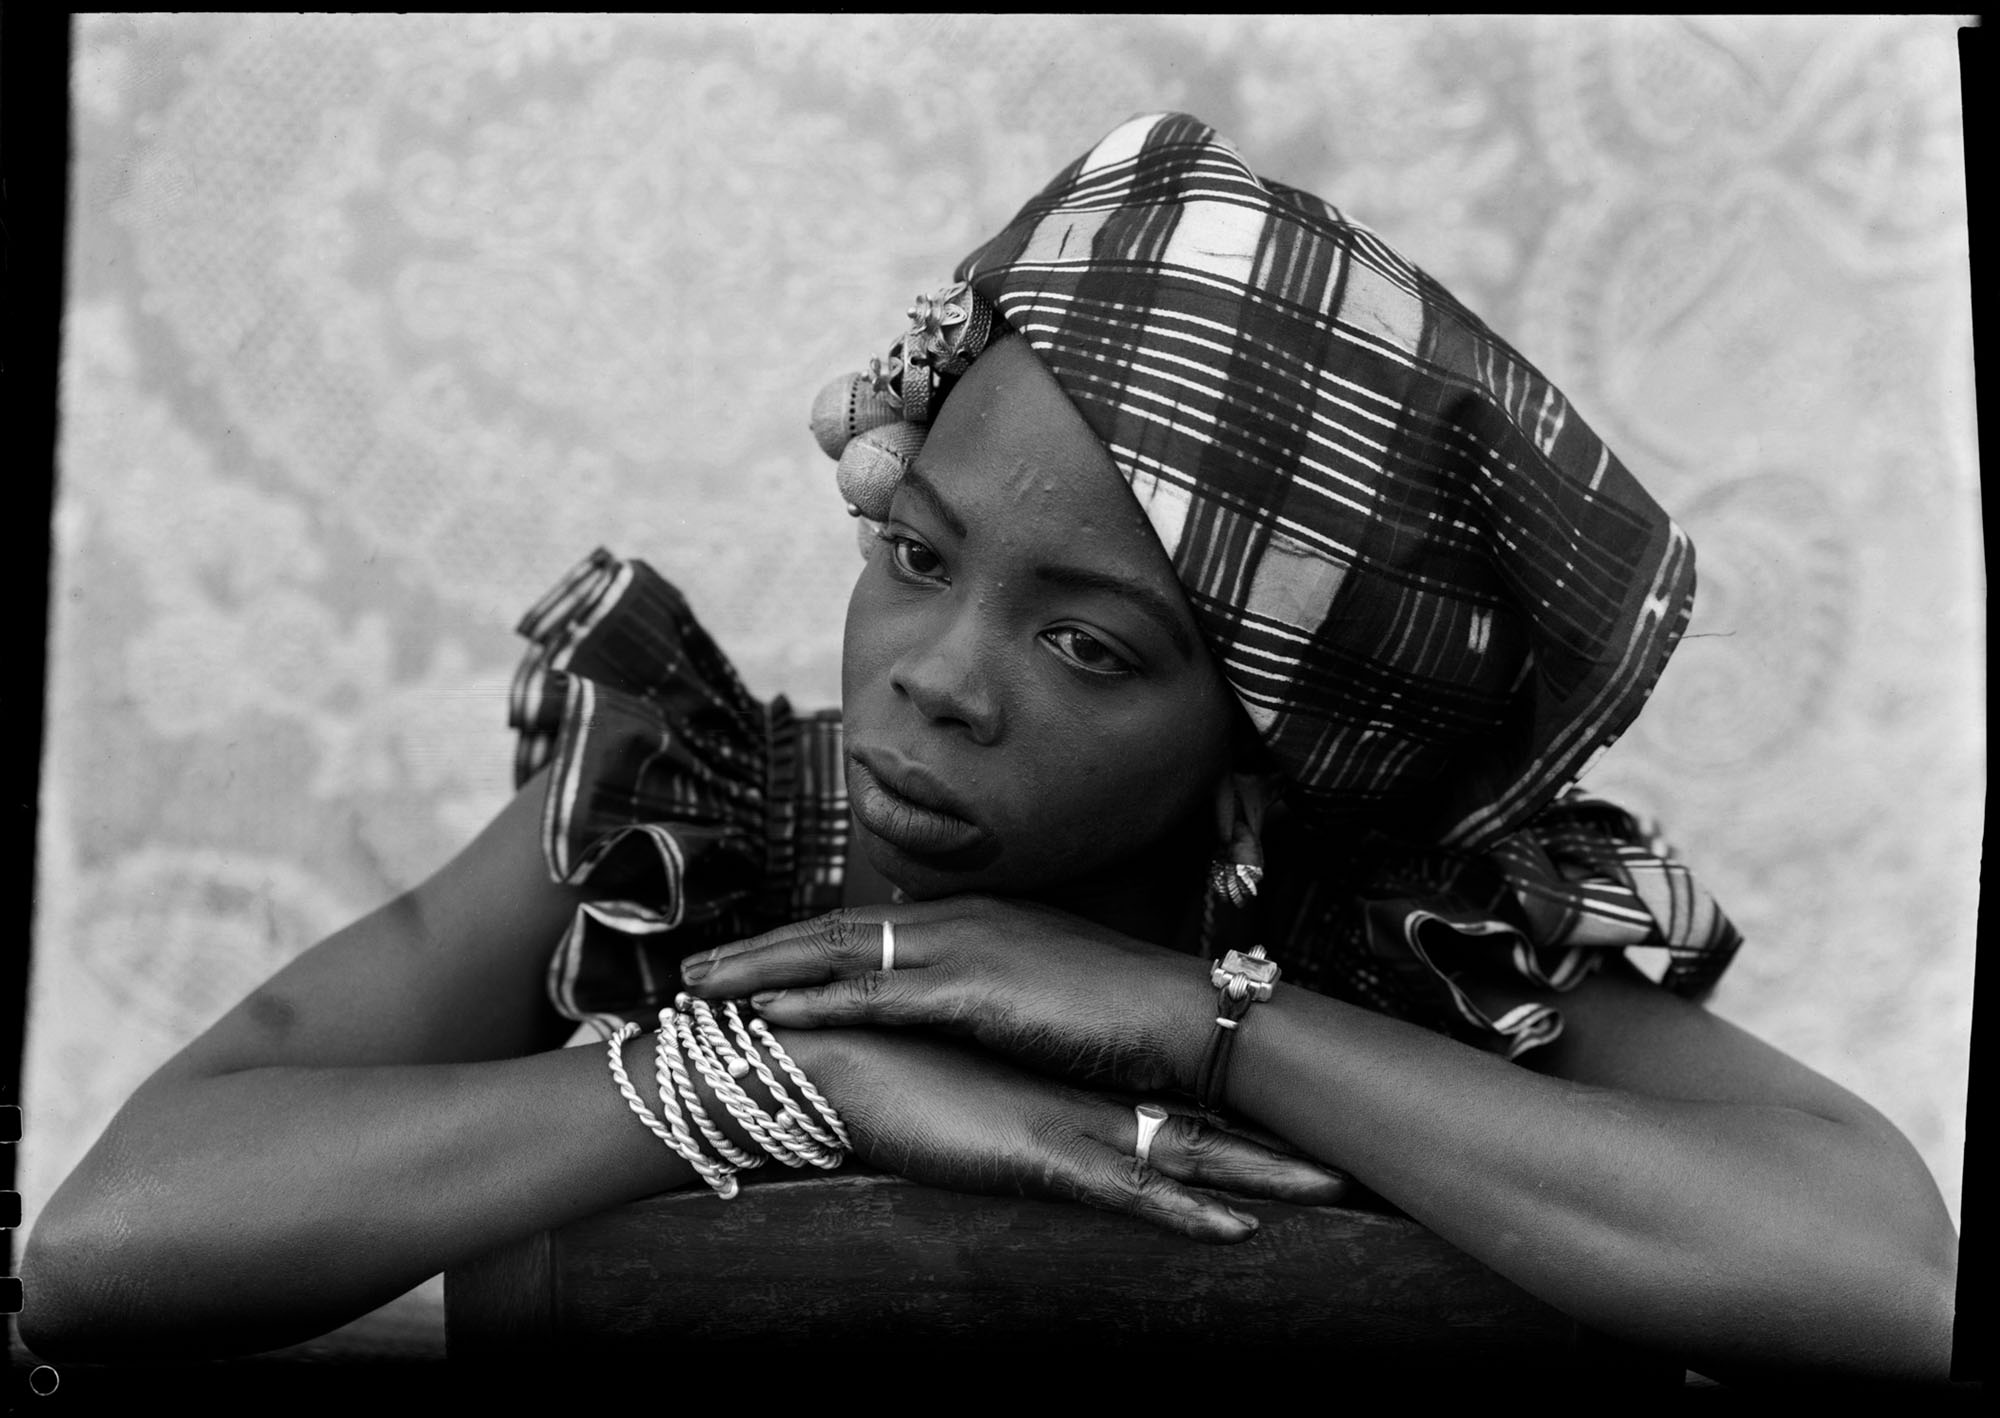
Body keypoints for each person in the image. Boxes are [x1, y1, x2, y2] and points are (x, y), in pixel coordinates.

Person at [21, 112, 1956, 1381]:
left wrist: (1198, 1017)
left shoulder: (1379, 920)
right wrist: (788, 1081)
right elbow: (109, 1247)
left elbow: (1882, 1275)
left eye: (1090, 643)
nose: (937, 676)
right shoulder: (680, 821)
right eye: (914, 556)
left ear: (1260, 735)